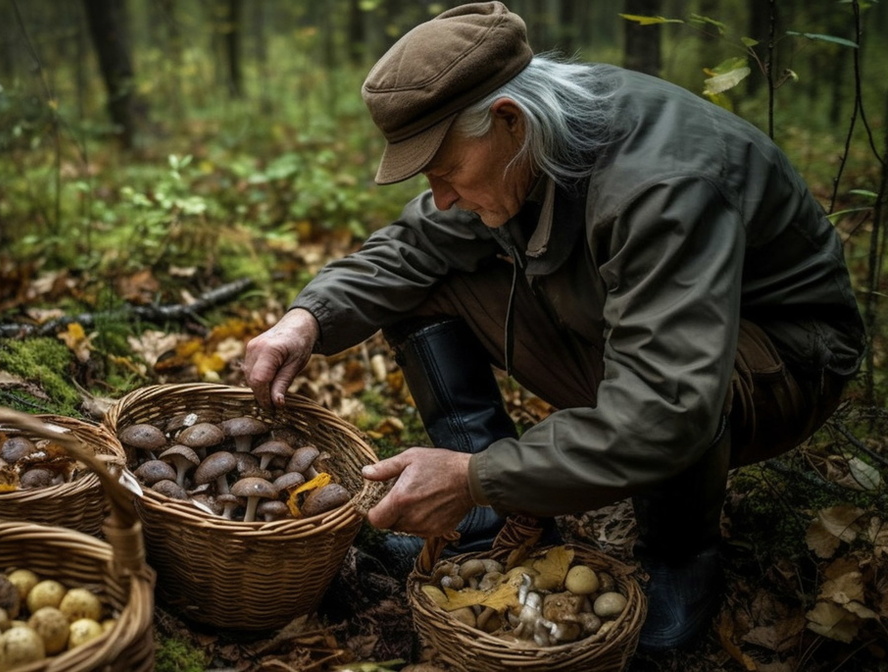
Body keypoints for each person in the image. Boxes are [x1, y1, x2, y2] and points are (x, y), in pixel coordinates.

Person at [241, 1, 865, 652]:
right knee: (418, 284)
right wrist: (307, 318)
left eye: (445, 170)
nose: (443, 194)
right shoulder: (530, 138)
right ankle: (481, 523)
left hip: (780, 362)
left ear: (508, 120)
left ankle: (679, 560)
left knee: (662, 404)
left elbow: (665, 407)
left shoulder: (661, 185)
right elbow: (412, 247)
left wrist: (475, 471)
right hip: (638, 324)